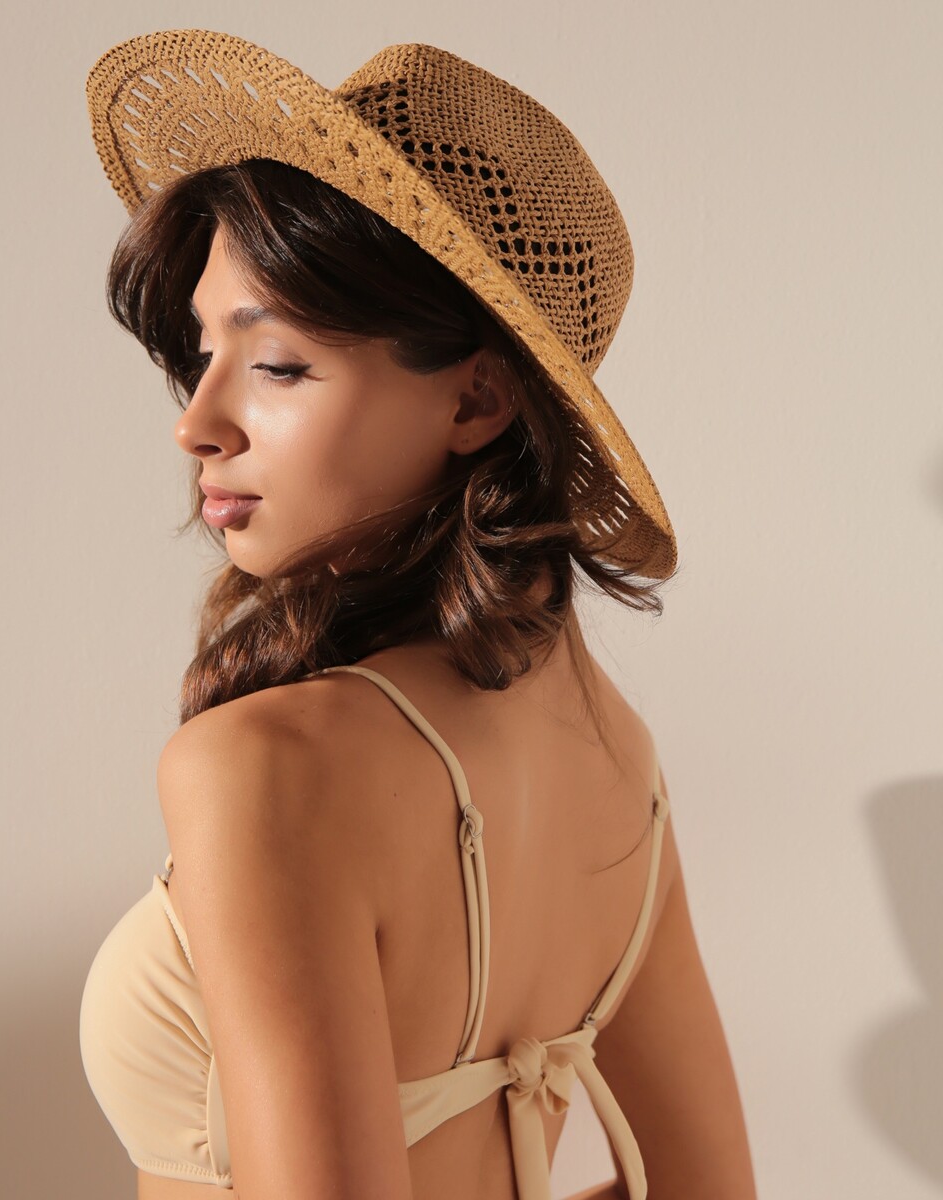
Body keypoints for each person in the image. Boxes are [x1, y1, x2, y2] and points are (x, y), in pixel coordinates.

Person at [79, 29, 756, 1200]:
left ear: (477, 398)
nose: (197, 421)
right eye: (202, 350)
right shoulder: (613, 755)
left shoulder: (263, 767)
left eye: (278, 365)